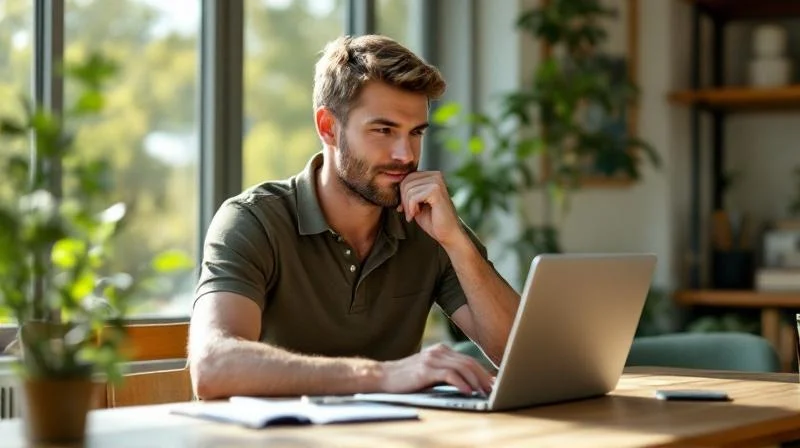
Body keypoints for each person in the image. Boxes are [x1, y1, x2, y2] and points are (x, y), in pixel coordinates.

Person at [188, 34, 520, 400]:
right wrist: (381, 375)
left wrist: (455, 242)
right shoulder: (253, 221)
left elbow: (521, 356)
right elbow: (213, 366)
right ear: (328, 127)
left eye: (415, 133)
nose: (405, 154)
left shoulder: (428, 223)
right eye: (383, 130)